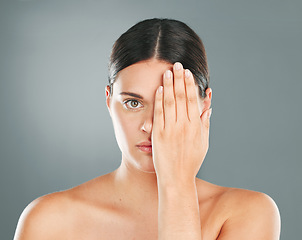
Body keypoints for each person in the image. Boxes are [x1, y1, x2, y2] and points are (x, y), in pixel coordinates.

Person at [14, 18, 281, 240]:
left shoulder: (248, 213)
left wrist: (177, 183)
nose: (150, 125)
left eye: (171, 103)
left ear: (205, 104)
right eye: (133, 102)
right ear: (109, 100)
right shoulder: (49, 222)